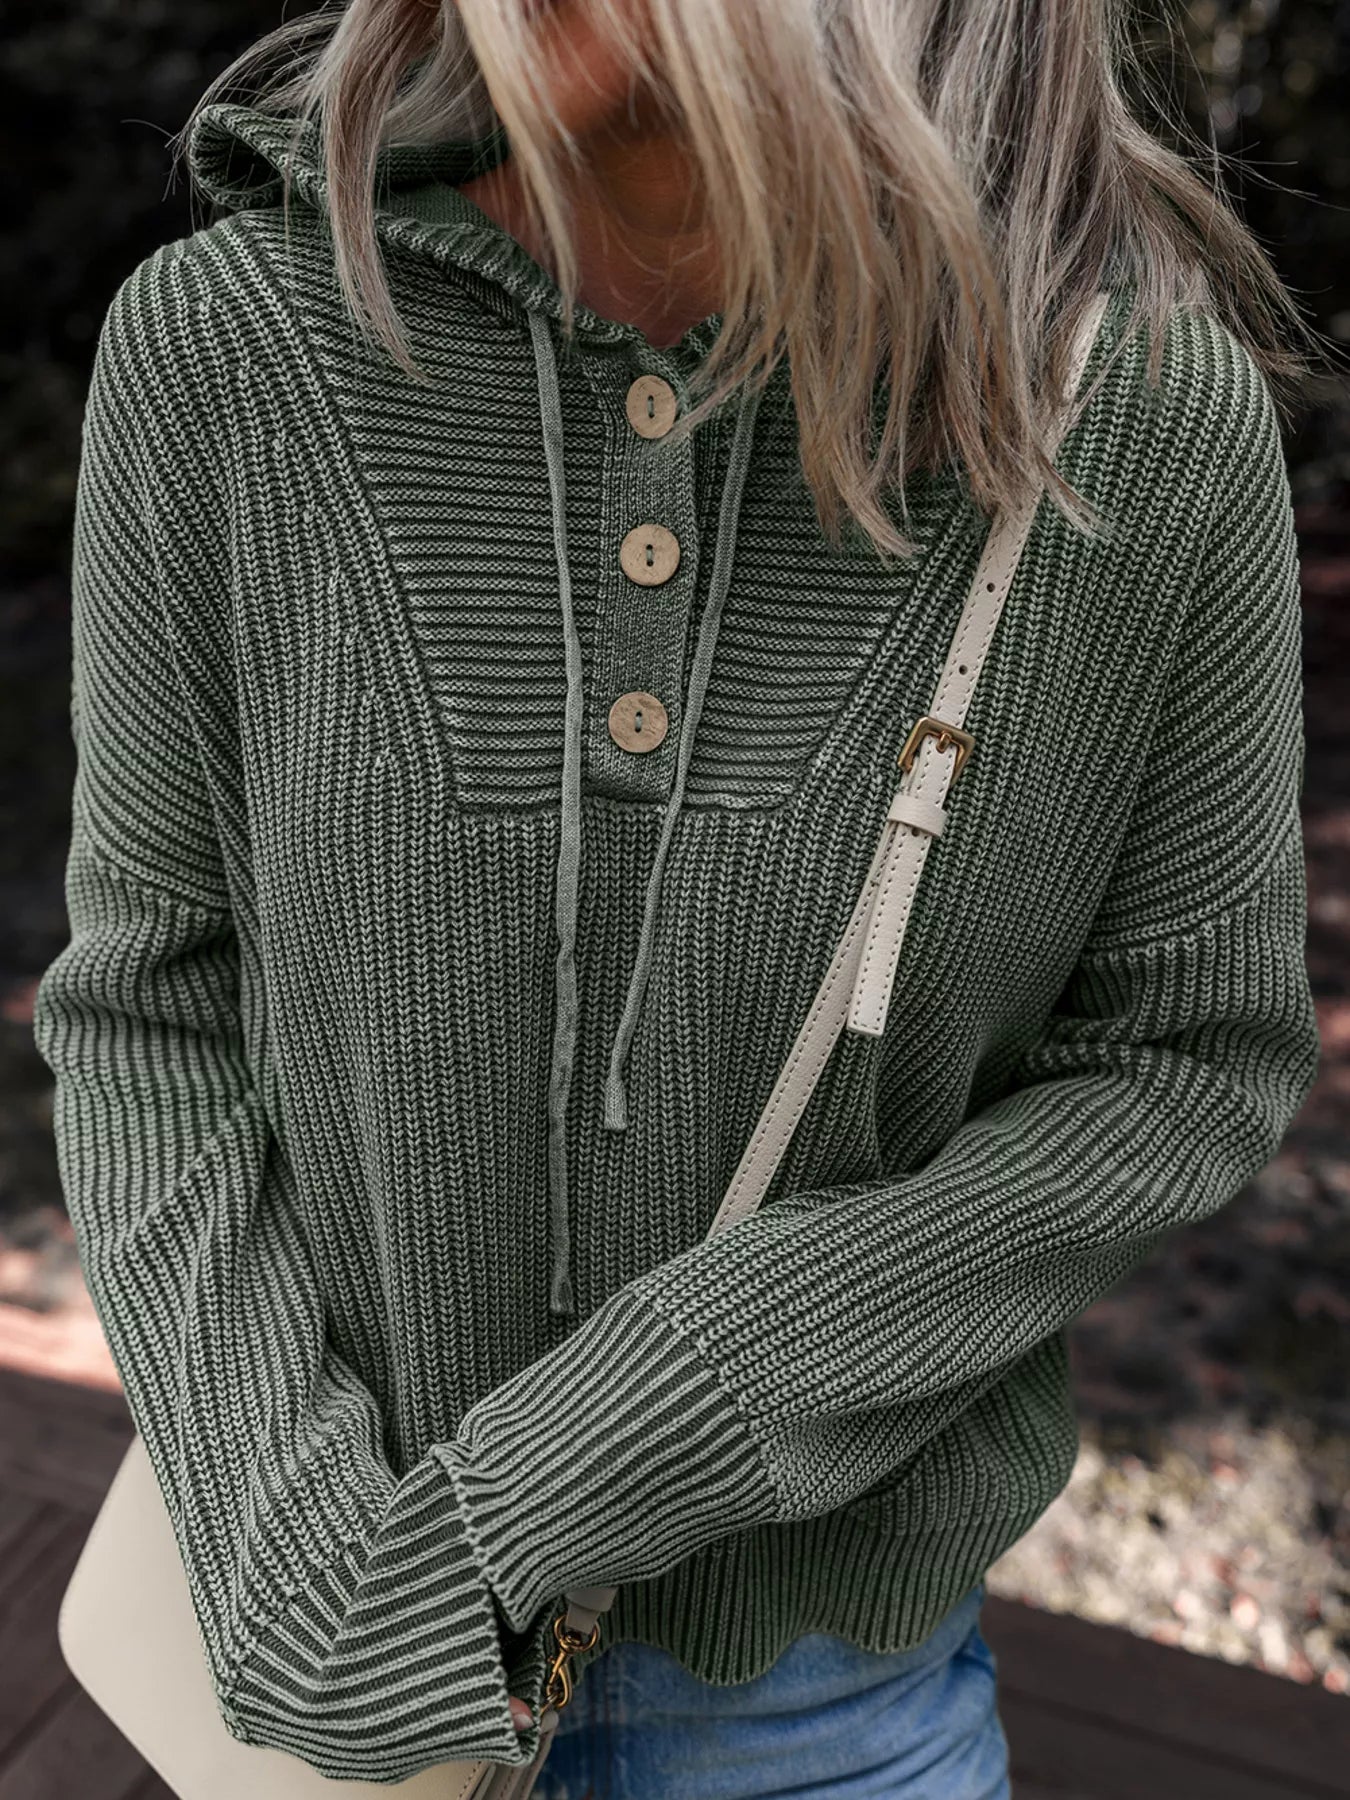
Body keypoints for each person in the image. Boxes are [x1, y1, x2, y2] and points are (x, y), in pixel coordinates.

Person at [33, 1, 1323, 1796]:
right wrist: (294, 1558)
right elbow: (148, 1004)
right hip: (311, 1684)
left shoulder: (1136, 430)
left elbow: (1182, 1061)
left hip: (814, 1712)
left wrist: (602, 1448)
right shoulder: (229, 350)